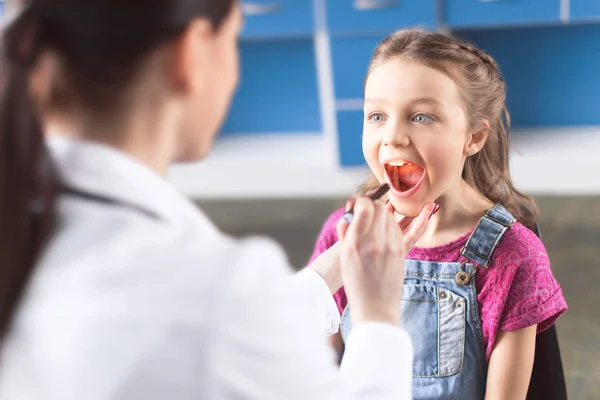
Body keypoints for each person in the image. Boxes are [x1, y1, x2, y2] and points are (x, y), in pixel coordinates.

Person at [0, 1, 434, 399]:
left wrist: (333, 269)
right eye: (234, 38)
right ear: (190, 55)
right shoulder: (219, 292)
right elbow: (222, 331)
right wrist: (377, 315)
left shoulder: (27, 218)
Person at [308, 29, 568, 400]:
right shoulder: (342, 233)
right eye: (377, 115)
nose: (393, 137)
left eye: (421, 117)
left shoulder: (512, 256)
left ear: (474, 138)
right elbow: (312, 373)